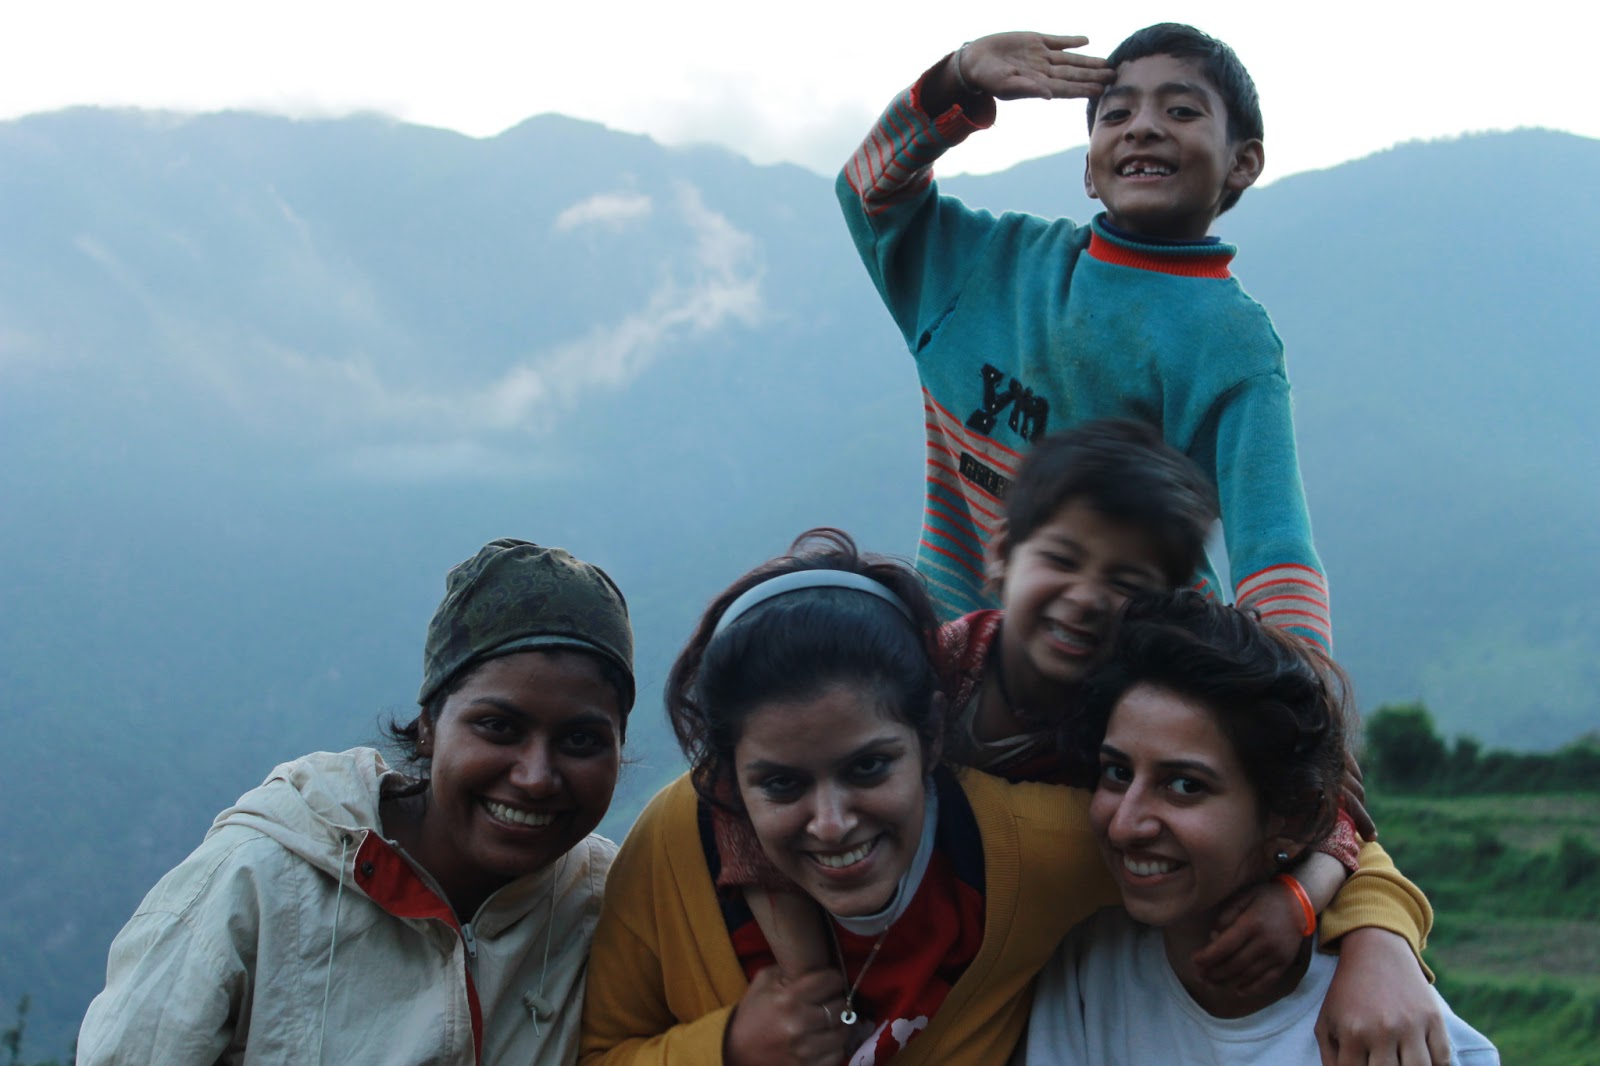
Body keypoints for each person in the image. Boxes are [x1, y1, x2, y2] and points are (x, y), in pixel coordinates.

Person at [579, 530, 1432, 1066]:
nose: (831, 822)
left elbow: (1284, 815)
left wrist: (1377, 939)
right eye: (779, 784)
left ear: (930, 738)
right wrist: (727, 1048)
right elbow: (602, 1049)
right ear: (726, 776)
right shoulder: (676, 845)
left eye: (870, 768)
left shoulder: (1026, 847)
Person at [839, 23, 1330, 652]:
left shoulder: (1233, 343)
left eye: (1181, 111)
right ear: (1089, 173)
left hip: (1124, 677)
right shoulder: (991, 265)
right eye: (1116, 114)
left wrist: (1299, 689)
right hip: (949, 660)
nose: (1142, 127)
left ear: (1243, 162)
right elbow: (869, 192)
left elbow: (1274, 547)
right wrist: (958, 78)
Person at [78, 539, 634, 1065]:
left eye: (580, 740)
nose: (536, 778)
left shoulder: (609, 906)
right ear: (428, 727)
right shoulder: (256, 882)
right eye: (498, 727)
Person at [1018, 591, 1499, 1065]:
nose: (1125, 826)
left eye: (1185, 785)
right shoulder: (1091, 970)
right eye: (1118, 773)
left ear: (1292, 819)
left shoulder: (1394, 1038)